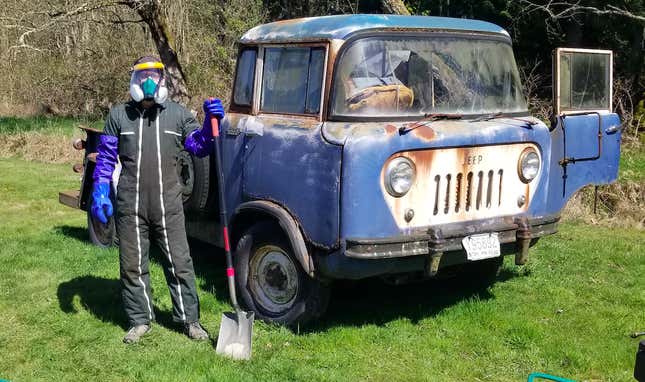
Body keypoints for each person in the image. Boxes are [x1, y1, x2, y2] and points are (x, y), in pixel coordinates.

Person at [90, 55, 224, 343]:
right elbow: (105, 159)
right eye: (142, 75)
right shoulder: (118, 116)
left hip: (169, 205)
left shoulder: (178, 114)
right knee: (132, 264)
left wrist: (211, 125)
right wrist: (100, 189)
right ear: (133, 79)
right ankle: (140, 320)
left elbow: (199, 147)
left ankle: (190, 320)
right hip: (130, 205)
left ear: (163, 79)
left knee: (180, 262)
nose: (148, 81)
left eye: (155, 75)